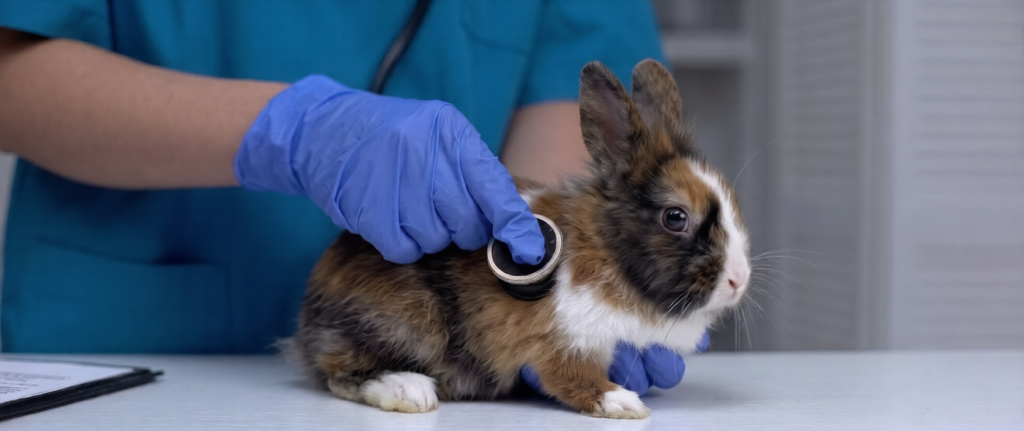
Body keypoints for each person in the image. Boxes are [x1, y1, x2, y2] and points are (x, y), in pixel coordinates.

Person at [0, 0, 698, 396]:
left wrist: (571, 308)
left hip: (436, 406)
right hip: (119, 368)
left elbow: (562, 175)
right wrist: (290, 132)